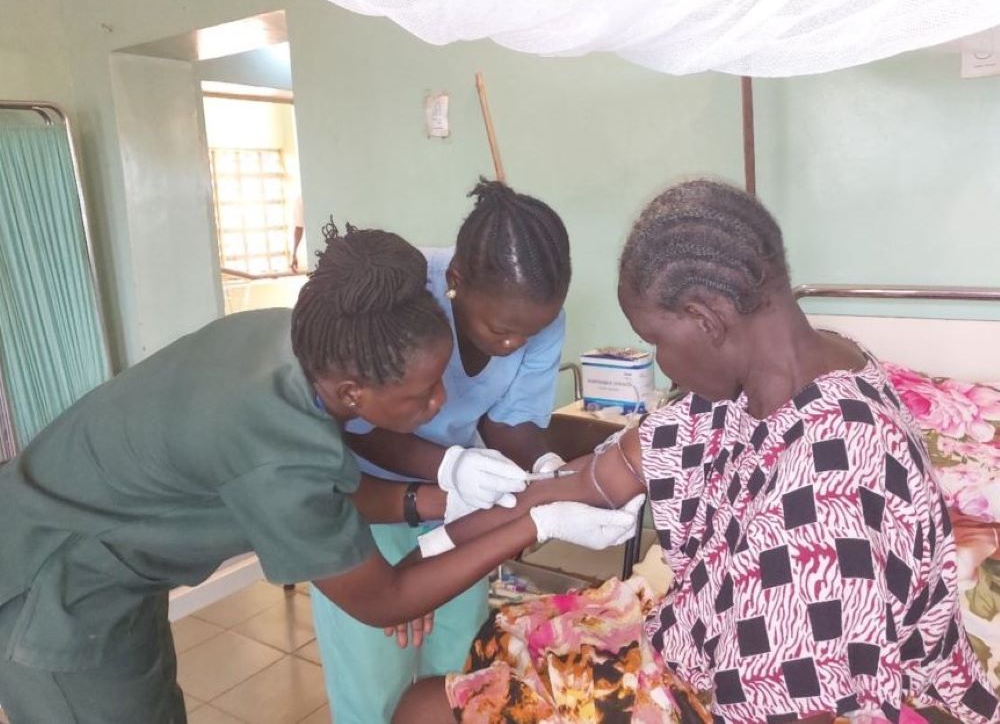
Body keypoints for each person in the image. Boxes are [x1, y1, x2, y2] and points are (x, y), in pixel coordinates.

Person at [394, 179, 999, 723]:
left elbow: (794, 702)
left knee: (428, 710)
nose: (658, 360)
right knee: (490, 647)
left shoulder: (825, 494)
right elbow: (596, 478)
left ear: (705, 319)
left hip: (784, 700)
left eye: (654, 339)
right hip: (701, 643)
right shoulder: (758, 382)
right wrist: (431, 553)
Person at [0, 223, 640, 724]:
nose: (439, 408)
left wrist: (448, 494)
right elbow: (381, 596)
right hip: (54, 588)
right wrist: (538, 517)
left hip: (110, 564)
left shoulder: (293, 345)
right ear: (355, 393)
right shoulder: (275, 448)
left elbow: (343, 490)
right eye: (421, 399)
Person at [310, 178, 578, 722]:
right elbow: (355, 419)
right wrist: (449, 467)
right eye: (500, 329)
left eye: (533, 333)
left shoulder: (534, 319)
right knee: (375, 684)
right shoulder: (401, 299)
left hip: (456, 505)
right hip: (366, 499)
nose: (514, 345)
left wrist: (550, 471)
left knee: (458, 677)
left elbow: (513, 422)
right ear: (455, 282)